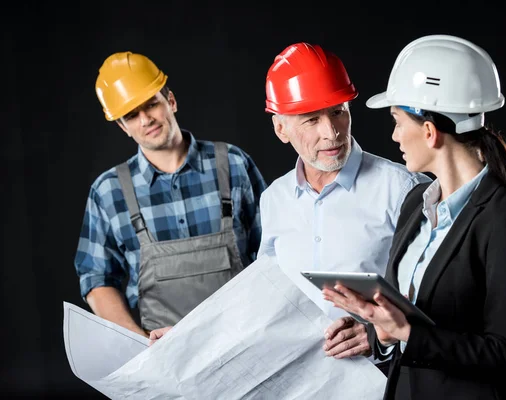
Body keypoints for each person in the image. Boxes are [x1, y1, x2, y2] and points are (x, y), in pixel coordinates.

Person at [322, 34, 506, 399]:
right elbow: (409, 327)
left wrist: (407, 333)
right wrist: (379, 332)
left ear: (429, 132)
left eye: (397, 121)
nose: (395, 135)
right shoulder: (416, 202)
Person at [257, 42, 431, 372]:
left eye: (338, 112)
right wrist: (187, 338)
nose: (332, 132)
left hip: (385, 381)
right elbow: (264, 297)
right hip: (298, 383)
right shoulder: (274, 200)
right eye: (311, 120)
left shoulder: (404, 189)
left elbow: (442, 294)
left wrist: (380, 334)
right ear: (281, 129)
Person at [74, 51, 267, 337]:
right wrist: (142, 345)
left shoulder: (233, 165)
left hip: (246, 341)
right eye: (131, 115)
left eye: (152, 104)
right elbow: (96, 278)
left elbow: (274, 251)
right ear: (122, 126)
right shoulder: (109, 192)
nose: (145, 120)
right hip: (163, 358)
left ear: (171, 101)